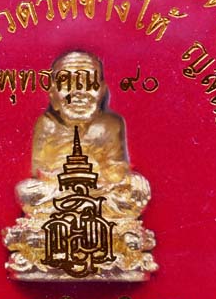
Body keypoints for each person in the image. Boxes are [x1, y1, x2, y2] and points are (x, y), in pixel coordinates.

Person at [16, 50, 151, 219]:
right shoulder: (47, 124)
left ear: (102, 91)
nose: (79, 92)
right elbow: (40, 172)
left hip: (98, 189)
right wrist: (69, 177)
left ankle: (79, 207)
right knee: (26, 191)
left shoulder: (111, 124)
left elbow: (117, 169)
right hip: (61, 190)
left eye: (89, 83)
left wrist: (110, 178)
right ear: (53, 94)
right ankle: (87, 207)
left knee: (136, 189)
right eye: (67, 83)